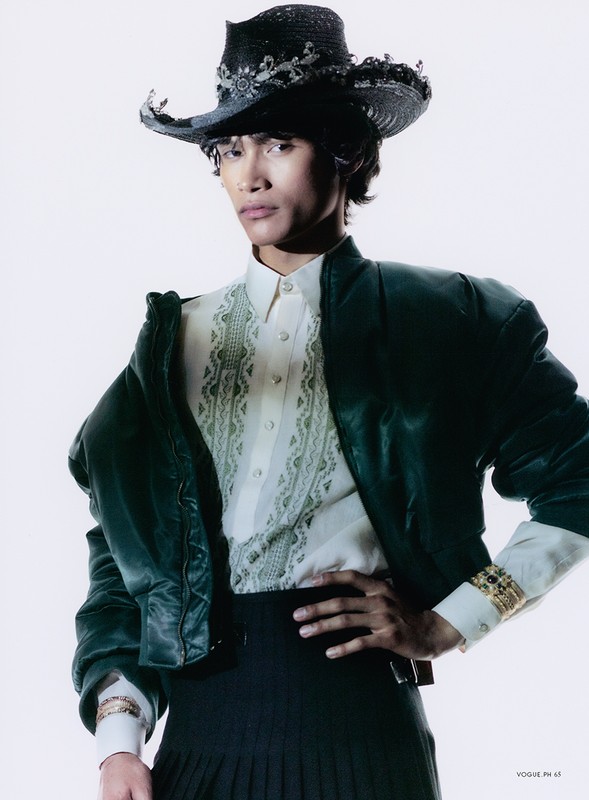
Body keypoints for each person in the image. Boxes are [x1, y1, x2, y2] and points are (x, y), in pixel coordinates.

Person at [69, 5, 589, 800]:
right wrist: (119, 743)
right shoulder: (169, 346)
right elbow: (123, 556)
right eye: (229, 150)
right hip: (196, 750)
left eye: (279, 143)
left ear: (348, 153)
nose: (250, 175)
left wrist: (452, 620)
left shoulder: (453, 319)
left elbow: (577, 482)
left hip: (358, 737)